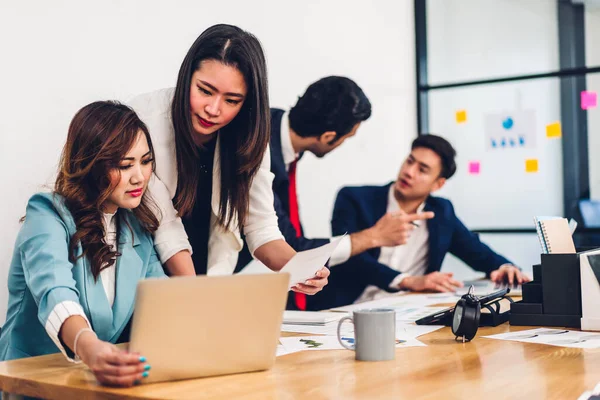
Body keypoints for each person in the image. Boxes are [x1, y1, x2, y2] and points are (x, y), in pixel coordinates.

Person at [129, 24, 328, 294]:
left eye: (232, 100)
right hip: (142, 276)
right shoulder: (143, 121)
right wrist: (199, 298)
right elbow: (165, 226)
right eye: (205, 91)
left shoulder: (249, 135)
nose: (213, 109)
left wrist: (300, 269)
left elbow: (261, 227)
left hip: (204, 278)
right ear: (187, 76)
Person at [0, 101, 163, 387]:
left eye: (146, 161)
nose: (139, 176)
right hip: (26, 382)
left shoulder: (136, 231)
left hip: (86, 386)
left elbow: (165, 302)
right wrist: (90, 348)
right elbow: (55, 292)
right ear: (91, 165)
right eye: (125, 165)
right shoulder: (46, 214)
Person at [234, 76, 433, 310]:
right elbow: (289, 243)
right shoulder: (260, 148)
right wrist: (373, 236)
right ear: (328, 136)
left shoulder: (274, 127)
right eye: (346, 139)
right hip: (196, 274)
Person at [308, 134, 530, 309]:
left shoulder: (441, 212)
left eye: (422, 170)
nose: (409, 172)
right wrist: (408, 280)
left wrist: (504, 267)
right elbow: (349, 258)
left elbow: (476, 251)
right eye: (410, 161)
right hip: (346, 309)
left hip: (408, 312)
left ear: (438, 184)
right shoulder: (354, 198)